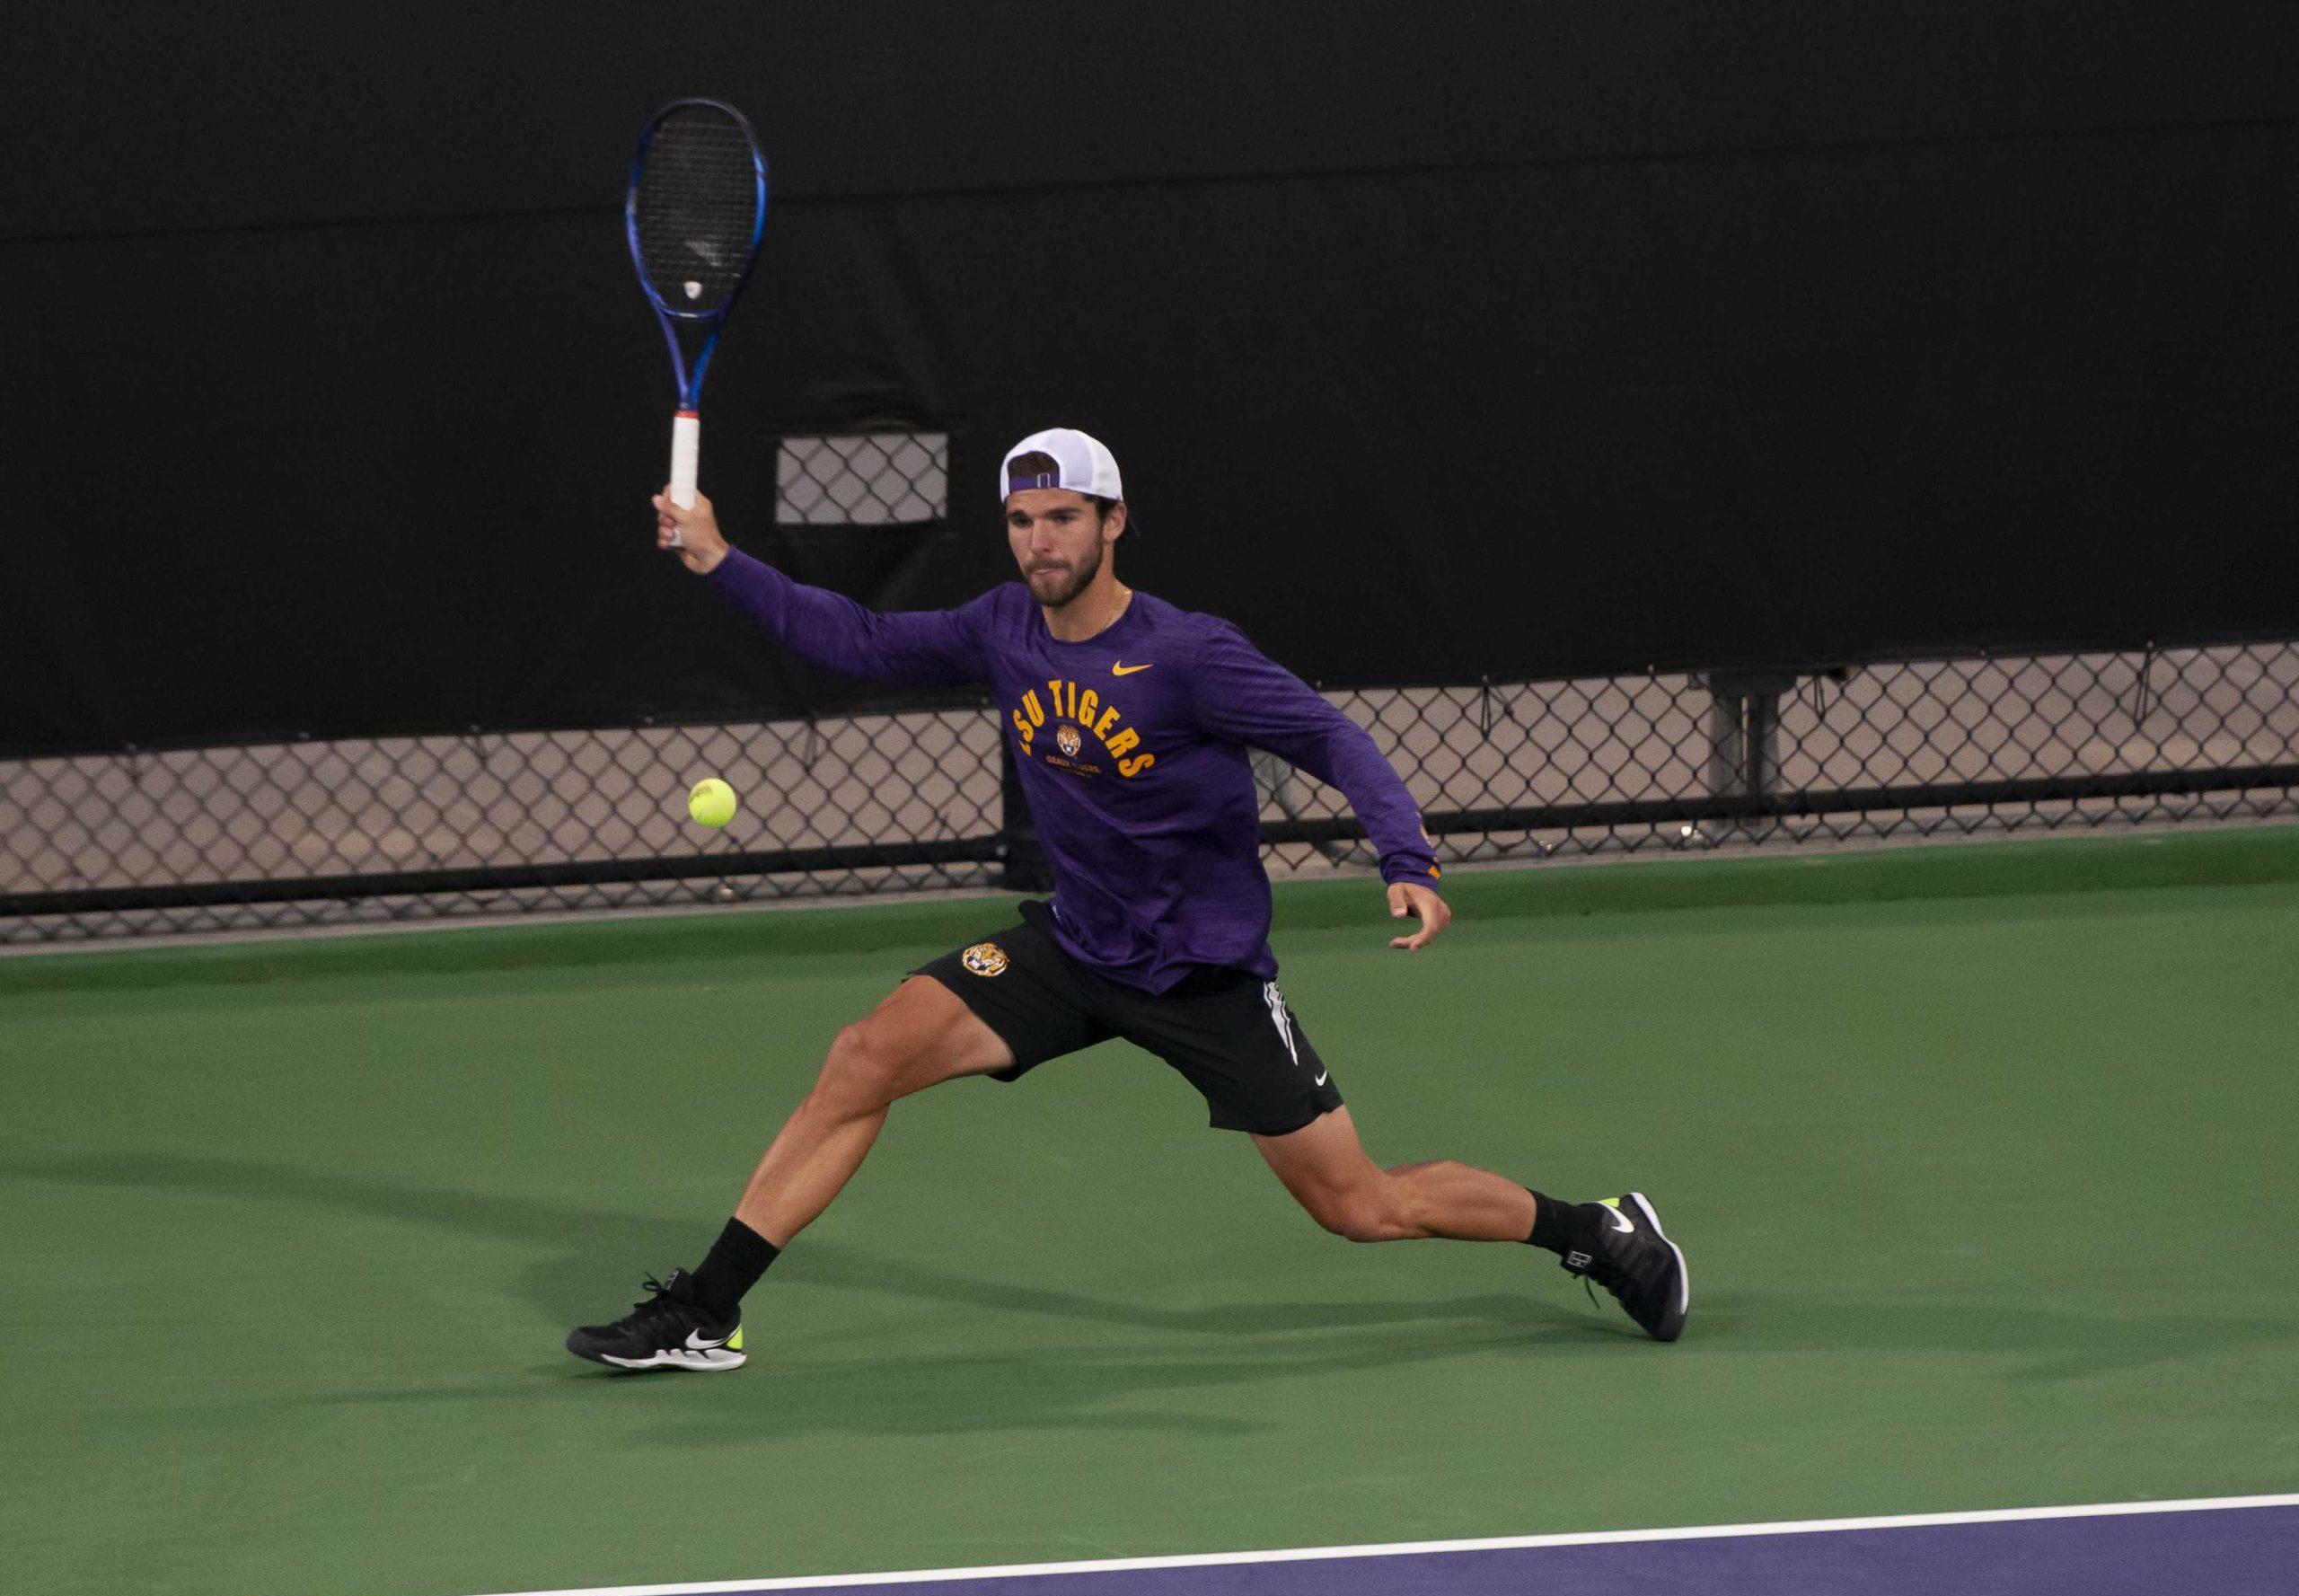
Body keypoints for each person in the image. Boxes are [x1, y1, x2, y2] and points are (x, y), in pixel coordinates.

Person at [568, 428, 1687, 1371]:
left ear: (1112, 523)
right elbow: (854, 639)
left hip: (1202, 976)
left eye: (1062, 518)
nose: (1039, 541)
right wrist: (718, 557)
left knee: (1360, 1207)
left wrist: (1407, 856)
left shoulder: (1190, 655)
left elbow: (1329, 736)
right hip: (1074, 949)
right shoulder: (1000, 627)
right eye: (1021, 521)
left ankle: (1590, 1230)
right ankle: (704, 1311)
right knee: (865, 1054)